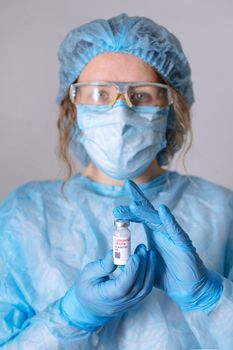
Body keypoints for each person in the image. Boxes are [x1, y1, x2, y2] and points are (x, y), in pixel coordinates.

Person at [0, 13, 232, 350]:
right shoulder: (26, 216)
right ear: (72, 106)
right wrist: (73, 316)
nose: (120, 114)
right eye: (99, 94)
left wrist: (211, 300)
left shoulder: (222, 211)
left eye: (141, 95)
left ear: (171, 105)